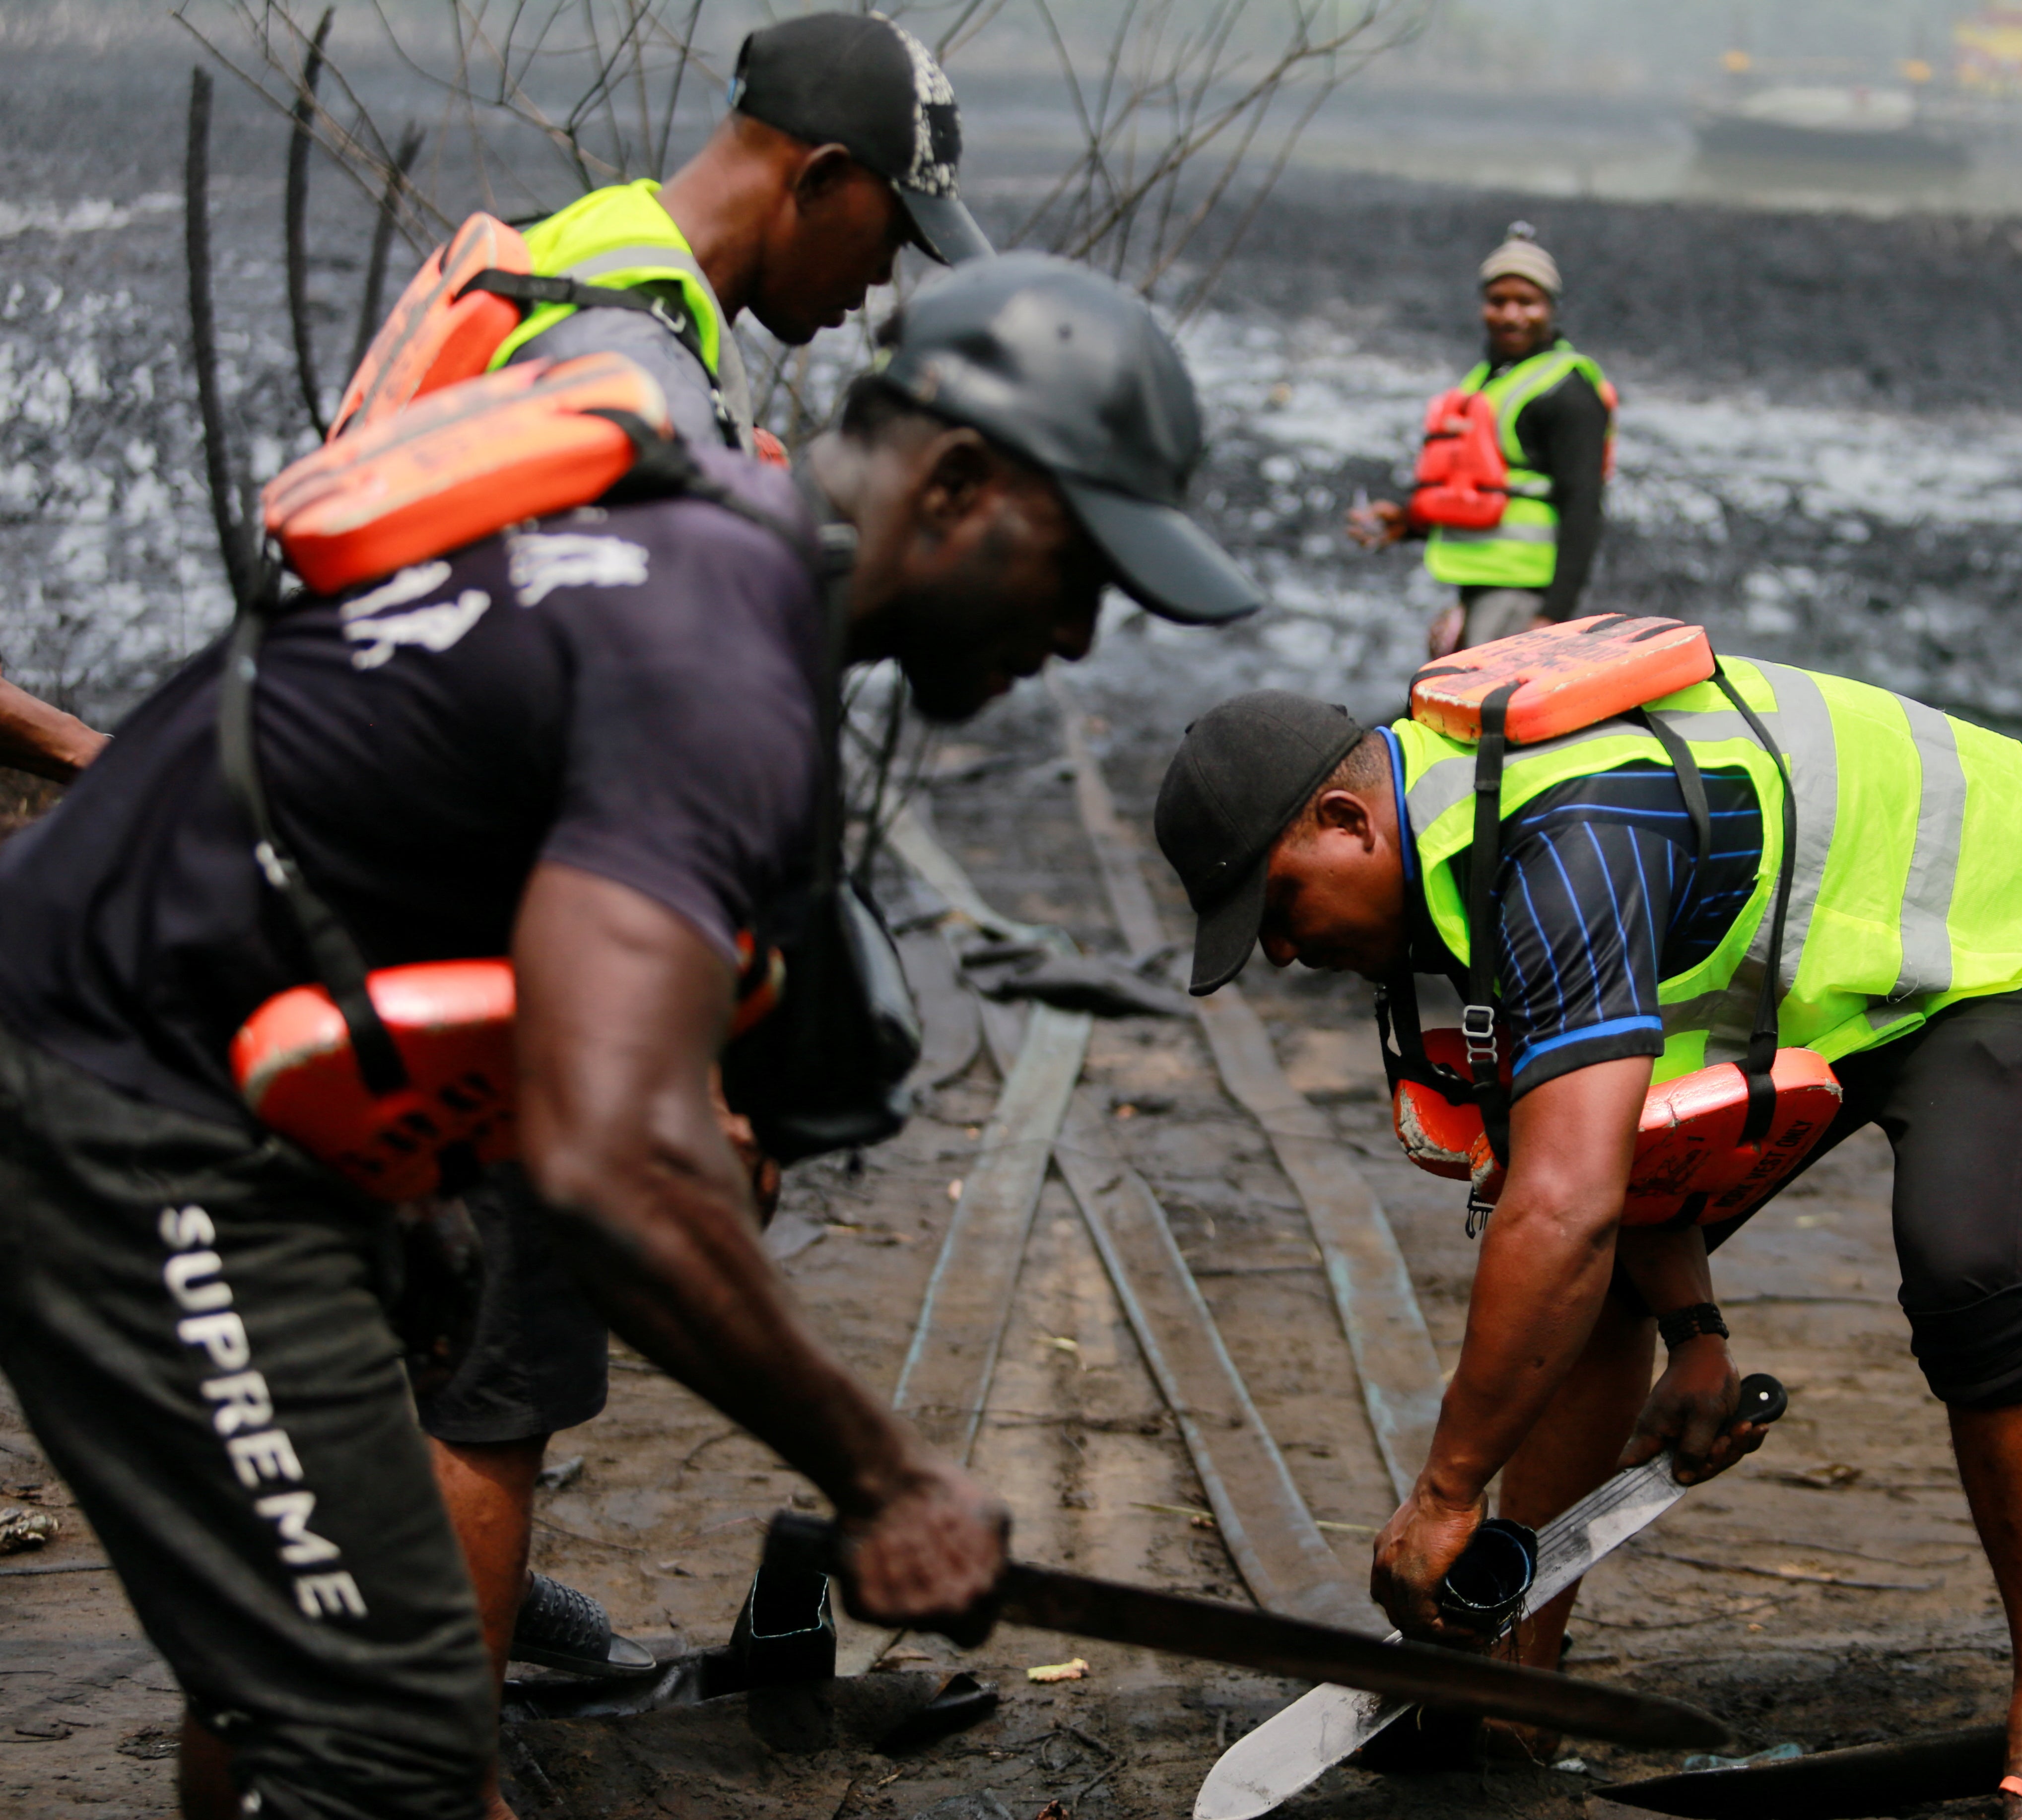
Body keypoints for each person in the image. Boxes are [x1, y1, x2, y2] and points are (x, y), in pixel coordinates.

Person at [0, 253, 1258, 1820]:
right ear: (958, 482)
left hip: (226, 1086)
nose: (1078, 636)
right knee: (380, 1729)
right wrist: (884, 1473)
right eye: (1081, 569)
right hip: (110, 1096)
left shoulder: (693, 551)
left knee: (324, 1678)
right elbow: (611, 1160)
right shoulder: (716, 649)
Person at [1151, 665, 2022, 1818]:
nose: (1274, 951)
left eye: (1274, 908)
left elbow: (1564, 1205)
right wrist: (1693, 1333)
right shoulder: (1462, 854)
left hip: (1989, 916)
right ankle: (1516, 1685)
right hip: (1808, 970)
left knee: (1963, 1263)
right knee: (1582, 1284)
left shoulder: (1560, 840)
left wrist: (1446, 1490)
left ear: (1345, 820)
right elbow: (1601, 1173)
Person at [378, 8, 993, 1687]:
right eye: (887, 236)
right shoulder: (633, 362)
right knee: (493, 1389)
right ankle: (439, 1771)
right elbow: (617, 723)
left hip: (393, 896)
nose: (879, 287)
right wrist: (688, 1058)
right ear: (825, 178)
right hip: (486, 943)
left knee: (409, 1378)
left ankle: (400, 1716)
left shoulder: (569, 274)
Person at [438, 12, 991, 453]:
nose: (881, 276)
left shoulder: (608, 232)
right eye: (890, 236)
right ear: (820, 179)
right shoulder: (635, 379)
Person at [1347, 223, 1615, 659]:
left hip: (1523, 591)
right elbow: (1480, 488)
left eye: (1526, 302)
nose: (1511, 315)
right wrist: (1408, 523)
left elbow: (1583, 504)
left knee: (1486, 712)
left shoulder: (1567, 391)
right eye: (1498, 301)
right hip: (1477, 582)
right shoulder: (1487, 381)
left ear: (1551, 307)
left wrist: (1553, 614)